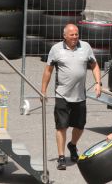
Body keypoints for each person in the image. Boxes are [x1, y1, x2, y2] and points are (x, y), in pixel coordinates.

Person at [41, 23, 101, 170]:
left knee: (80, 126)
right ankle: (61, 157)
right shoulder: (56, 49)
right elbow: (48, 71)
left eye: (76, 34)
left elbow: (94, 65)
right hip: (62, 95)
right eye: (72, 34)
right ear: (65, 36)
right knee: (61, 127)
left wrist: (98, 83)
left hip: (80, 95)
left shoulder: (85, 47)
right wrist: (43, 90)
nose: (75, 37)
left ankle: (72, 145)